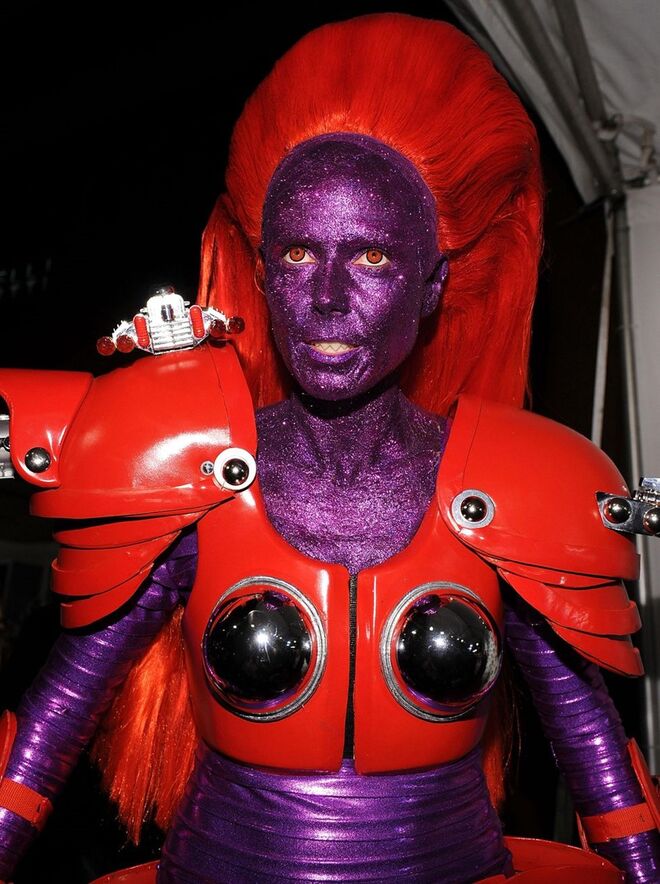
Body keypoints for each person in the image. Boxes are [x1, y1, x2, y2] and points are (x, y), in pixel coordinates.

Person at [0, 13, 659, 883]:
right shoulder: (189, 470)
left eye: (373, 256)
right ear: (263, 271)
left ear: (432, 285)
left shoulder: (518, 483)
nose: (328, 297)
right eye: (299, 253)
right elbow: (55, 717)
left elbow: (592, 740)